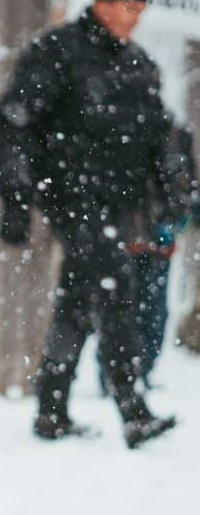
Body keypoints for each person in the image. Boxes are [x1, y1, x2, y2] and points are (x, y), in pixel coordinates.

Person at [0, 0, 177, 448]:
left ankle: (51, 411)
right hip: (69, 193)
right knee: (115, 290)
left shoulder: (138, 65)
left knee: (77, 302)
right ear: (103, 3)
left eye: (141, 10)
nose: (134, 19)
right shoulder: (58, 52)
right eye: (129, 8)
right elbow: (11, 123)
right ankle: (133, 411)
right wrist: (15, 196)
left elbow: (159, 137)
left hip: (119, 202)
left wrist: (173, 194)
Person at [96, 120, 197, 392]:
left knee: (152, 311)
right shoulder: (121, 120)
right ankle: (116, 376)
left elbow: (184, 178)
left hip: (156, 234)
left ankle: (138, 372)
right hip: (125, 235)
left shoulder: (175, 130)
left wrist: (178, 213)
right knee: (124, 309)